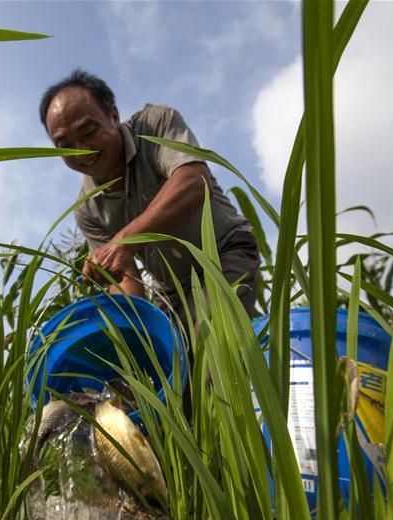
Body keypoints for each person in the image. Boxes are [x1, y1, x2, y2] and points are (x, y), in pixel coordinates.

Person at [40, 68, 260, 332]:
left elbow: (193, 183)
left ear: (113, 115)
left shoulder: (154, 124)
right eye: (65, 145)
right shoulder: (88, 209)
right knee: (167, 368)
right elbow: (125, 277)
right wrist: (132, 331)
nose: (81, 151)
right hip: (171, 290)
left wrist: (124, 242)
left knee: (214, 359)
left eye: (87, 133)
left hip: (222, 254)